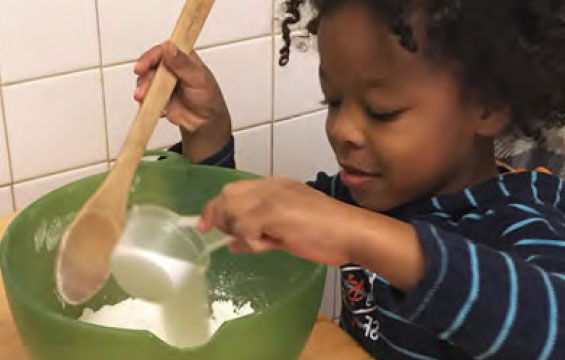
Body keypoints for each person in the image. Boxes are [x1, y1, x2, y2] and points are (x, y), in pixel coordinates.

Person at [134, 0, 565, 358]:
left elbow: (551, 328)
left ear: (486, 108)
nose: (342, 130)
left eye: (382, 111)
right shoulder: (363, 197)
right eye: (334, 101)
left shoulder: (522, 220)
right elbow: (241, 256)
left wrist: (360, 234)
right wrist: (208, 133)